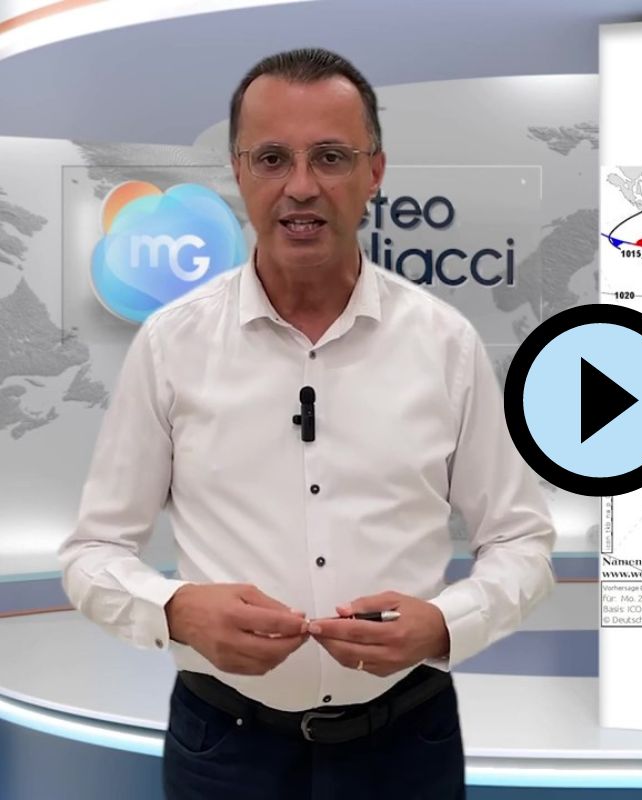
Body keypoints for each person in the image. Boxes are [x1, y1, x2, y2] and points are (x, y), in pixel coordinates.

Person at [57, 47, 556, 799]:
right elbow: (93, 551)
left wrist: (446, 623)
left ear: (374, 171)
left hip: (405, 747)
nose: (300, 186)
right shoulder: (170, 344)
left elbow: (521, 542)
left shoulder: (445, 344)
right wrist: (176, 611)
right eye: (271, 158)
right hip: (224, 750)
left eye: (330, 156)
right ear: (238, 172)